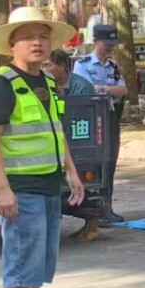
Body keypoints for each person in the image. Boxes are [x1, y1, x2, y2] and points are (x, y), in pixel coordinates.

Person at [0, 6, 87, 288]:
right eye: (28, 37)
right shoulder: (1, 84)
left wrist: (71, 170)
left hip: (48, 184)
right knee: (20, 263)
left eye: (43, 37)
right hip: (21, 187)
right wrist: (2, 189)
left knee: (38, 262)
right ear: (12, 44)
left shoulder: (46, 81)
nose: (37, 43)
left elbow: (56, 130)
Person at [44, 50, 103, 243]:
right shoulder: (45, 85)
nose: (45, 69)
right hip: (56, 142)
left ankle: (92, 224)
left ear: (62, 66)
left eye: (48, 65)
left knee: (83, 185)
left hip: (79, 141)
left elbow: (84, 116)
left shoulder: (81, 86)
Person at [74, 24, 126, 224]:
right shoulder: (83, 64)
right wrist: (109, 90)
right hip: (91, 119)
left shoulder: (113, 67)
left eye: (113, 43)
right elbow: (87, 91)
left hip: (110, 117)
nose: (110, 47)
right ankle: (93, 212)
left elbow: (123, 90)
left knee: (110, 162)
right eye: (106, 43)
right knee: (95, 164)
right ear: (95, 42)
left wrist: (103, 89)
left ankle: (107, 208)